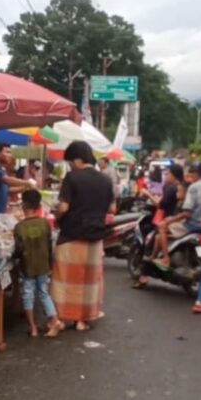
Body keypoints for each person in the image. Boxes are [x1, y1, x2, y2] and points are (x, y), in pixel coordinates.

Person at [51, 141, 115, 333]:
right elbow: (112, 209)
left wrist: (56, 215)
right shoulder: (105, 180)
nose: (70, 166)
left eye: (70, 162)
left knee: (65, 280)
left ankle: (63, 316)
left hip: (71, 235)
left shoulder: (72, 177)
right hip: (95, 236)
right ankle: (82, 320)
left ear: (77, 158)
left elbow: (63, 207)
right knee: (88, 281)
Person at [13, 190, 64, 338]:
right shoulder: (45, 224)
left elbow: (19, 249)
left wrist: (13, 256)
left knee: (28, 296)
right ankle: (54, 320)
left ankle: (33, 328)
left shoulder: (19, 227)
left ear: (24, 206)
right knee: (44, 293)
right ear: (38, 206)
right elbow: (49, 246)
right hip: (43, 266)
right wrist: (50, 264)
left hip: (27, 267)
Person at [155, 163, 201, 268]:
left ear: (196, 174)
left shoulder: (193, 187)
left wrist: (169, 221)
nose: (190, 176)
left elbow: (187, 213)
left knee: (162, 227)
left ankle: (165, 259)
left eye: (191, 173)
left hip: (194, 225)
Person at [134, 164, 185, 289]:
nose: (165, 176)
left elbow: (161, 204)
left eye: (168, 173)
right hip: (176, 221)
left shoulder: (172, 188)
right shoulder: (178, 187)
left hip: (169, 221)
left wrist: (148, 194)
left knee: (149, 241)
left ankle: (144, 276)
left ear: (173, 175)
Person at [0, 142, 35, 220]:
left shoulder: (1, 169)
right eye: (7, 152)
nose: (10, 155)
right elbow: (6, 180)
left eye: (10, 153)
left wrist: (25, 187)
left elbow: (7, 190)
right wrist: (27, 182)